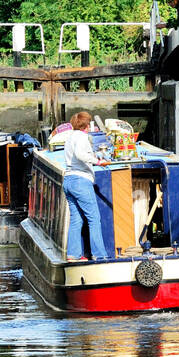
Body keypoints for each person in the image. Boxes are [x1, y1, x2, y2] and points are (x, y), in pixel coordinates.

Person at [64, 111, 108, 261]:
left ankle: (73, 254)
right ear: (86, 125)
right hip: (81, 181)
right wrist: (98, 161)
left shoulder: (69, 137)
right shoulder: (82, 137)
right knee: (94, 218)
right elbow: (80, 155)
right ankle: (100, 255)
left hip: (68, 180)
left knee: (76, 219)